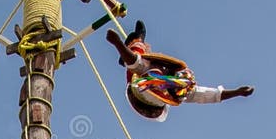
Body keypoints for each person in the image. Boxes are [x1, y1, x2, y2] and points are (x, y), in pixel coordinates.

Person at [106, 21, 254, 121]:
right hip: (145, 87)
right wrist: (237, 92)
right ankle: (134, 43)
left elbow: (134, 62)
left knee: (138, 57)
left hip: (143, 96)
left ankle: (137, 40)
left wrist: (117, 43)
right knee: (139, 59)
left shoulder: (154, 84)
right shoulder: (183, 90)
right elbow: (212, 95)